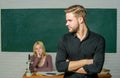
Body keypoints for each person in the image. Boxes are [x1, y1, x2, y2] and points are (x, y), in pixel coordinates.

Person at [56, 5, 105, 78]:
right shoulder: (64, 39)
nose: (66, 24)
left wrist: (69, 66)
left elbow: (97, 68)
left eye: (70, 20)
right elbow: (60, 66)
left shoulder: (99, 40)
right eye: (67, 21)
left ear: (80, 19)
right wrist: (86, 62)